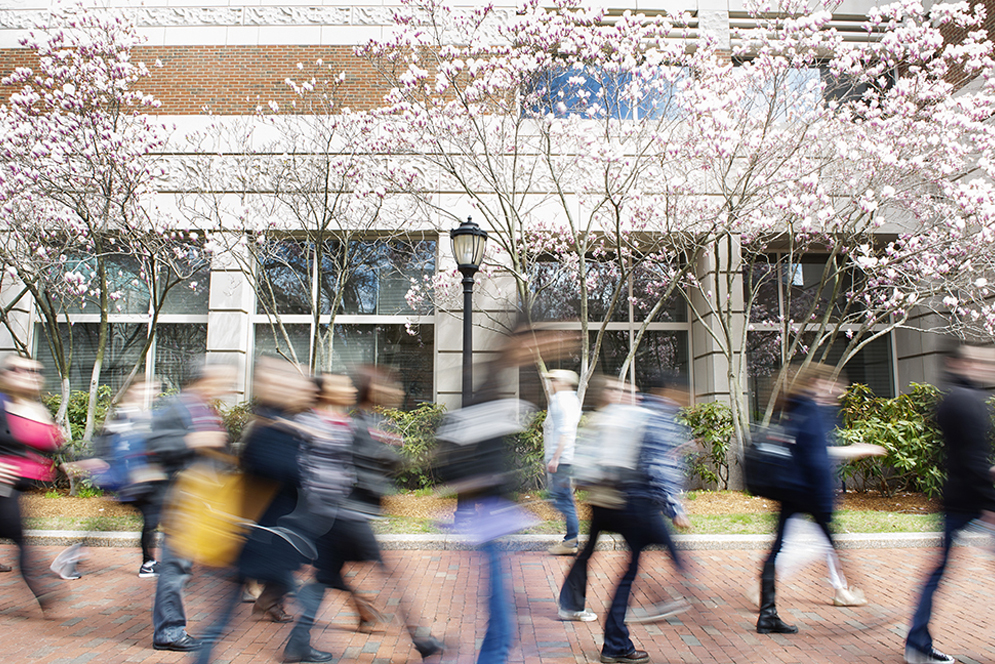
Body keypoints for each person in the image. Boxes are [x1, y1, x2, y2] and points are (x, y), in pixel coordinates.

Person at [558, 374, 687, 664]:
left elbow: (584, 466)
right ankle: (618, 639)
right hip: (622, 503)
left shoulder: (602, 419)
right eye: (620, 390)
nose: (629, 395)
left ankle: (582, 611)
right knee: (632, 566)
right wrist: (672, 506)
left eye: (630, 390)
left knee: (601, 556)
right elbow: (655, 463)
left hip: (604, 503)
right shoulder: (629, 418)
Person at [754, 362, 881, 635]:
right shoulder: (810, 409)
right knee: (836, 546)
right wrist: (825, 503)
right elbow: (816, 460)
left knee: (778, 550)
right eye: (828, 383)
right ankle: (863, 604)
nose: (833, 389)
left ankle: (768, 614)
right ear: (814, 383)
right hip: (808, 492)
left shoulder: (791, 407)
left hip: (789, 490)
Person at [904, 344, 995, 664]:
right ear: (956, 362)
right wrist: (990, 505)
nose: (984, 365)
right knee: (937, 572)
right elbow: (971, 459)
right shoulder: (968, 401)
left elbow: (965, 457)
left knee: (936, 572)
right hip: (973, 500)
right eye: (975, 360)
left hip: (955, 498)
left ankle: (916, 643)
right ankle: (916, 643)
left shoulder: (951, 398)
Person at [148, 362, 235, 652]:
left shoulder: (207, 410)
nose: (225, 386)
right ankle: (169, 632)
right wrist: (191, 439)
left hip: (206, 503)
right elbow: (156, 445)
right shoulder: (177, 406)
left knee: (215, 562)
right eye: (221, 380)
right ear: (204, 380)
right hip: (182, 502)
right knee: (175, 567)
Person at [0, 354, 63, 613]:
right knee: (20, 536)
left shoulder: (29, 407)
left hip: (10, 490)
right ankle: (43, 587)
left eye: (35, 371)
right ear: (5, 374)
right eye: (21, 370)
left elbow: (47, 444)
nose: (31, 375)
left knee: (19, 535)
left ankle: (43, 587)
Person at [543, 369, 582, 556]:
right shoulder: (567, 399)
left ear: (564, 382)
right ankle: (570, 540)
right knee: (562, 498)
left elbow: (565, 431)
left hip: (562, 460)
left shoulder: (564, 401)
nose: (551, 383)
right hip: (564, 459)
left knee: (563, 500)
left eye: (554, 380)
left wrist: (556, 458)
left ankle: (571, 541)